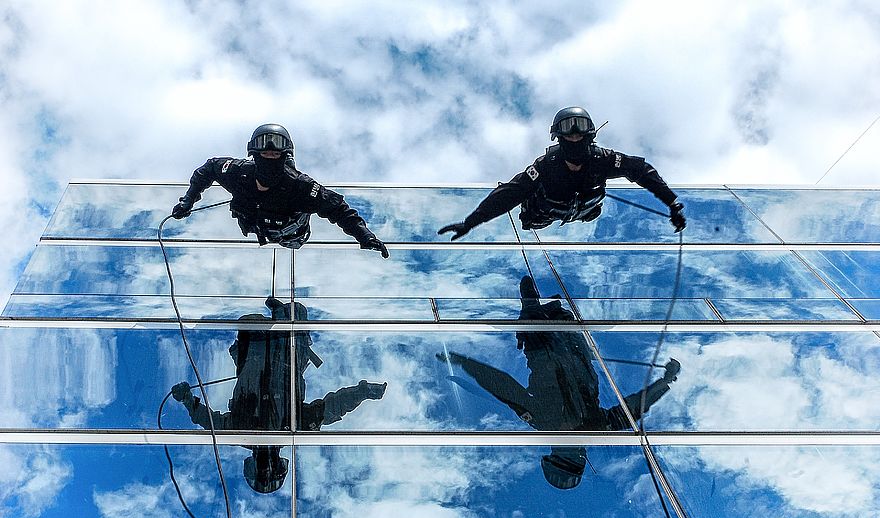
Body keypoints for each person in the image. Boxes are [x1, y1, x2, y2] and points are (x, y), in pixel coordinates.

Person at [437, 275, 680, 489]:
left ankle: (535, 304)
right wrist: (664, 382)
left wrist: (465, 363)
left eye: (567, 458)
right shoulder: (593, 428)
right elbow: (634, 408)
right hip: (569, 346)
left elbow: (503, 387)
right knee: (552, 310)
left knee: (535, 304)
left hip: (545, 344)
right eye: (573, 459)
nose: (575, 453)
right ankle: (542, 305)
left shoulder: (546, 422)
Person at [170, 296, 387, 492]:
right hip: (286, 349)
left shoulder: (240, 431)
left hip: (256, 346)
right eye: (270, 469)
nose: (266, 464)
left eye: (262, 470)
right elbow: (332, 408)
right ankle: (280, 312)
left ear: (254, 465)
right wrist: (362, 392)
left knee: (253, 318)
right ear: (278, 464)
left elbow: (206, 420)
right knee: (295, 310)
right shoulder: (293, 429)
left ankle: (278, 312)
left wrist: (187, 398)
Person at [438, 106, 686, 239]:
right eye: (569, 131)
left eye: (580, 132)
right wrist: (470, 223)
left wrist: (672, 203)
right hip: (543, 215)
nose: (575, 136)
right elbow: (508, 194)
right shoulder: (546, 166)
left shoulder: (603, 160)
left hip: (585, 210)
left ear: (590, 136)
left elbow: (642, 170)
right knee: (528, 203)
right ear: (559, 137)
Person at [171, 123, 389, 256]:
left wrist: (365, 236)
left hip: (293, 237)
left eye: (276, 154)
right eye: (265, 153)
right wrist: (188, 200)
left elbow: (338, 209)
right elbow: (207, 169)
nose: (270, 157)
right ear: (254, 154)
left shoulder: (300, 186)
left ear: (285, 157)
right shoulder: (238, 173)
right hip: (253, 226)